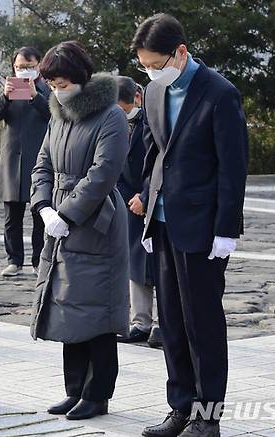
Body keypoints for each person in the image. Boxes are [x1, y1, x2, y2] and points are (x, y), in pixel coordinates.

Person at [132, 14, 248, 437]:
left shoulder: (220, 94)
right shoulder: (156, 92)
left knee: (204, 326)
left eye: (156, 63)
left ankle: (208, 417)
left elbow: (233, 169)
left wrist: (226, 229)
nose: (150, 72)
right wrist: (146, 195)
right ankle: (180, 407)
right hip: (161, 223)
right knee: (173, 325)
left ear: (180, 52)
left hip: (202, 229)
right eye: (144, 65)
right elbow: (152, 151)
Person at [29, 41, 130, 421]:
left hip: (95, 221)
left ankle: (97, 392)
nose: (57, 89)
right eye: (51, 83)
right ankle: (74, 389)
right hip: (58, 218)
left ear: (81, 78)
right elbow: (42, 164)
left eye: (61, 82)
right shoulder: (58, 114)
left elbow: (103, 174)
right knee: (67, 306)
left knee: (97, 309)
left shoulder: (110, 116)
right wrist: (42, 206)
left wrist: (67, 214)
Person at [0, 47, 50, 277]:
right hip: (12, 158)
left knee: (39, 215)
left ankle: (38, 261)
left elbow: (54, 114)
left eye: (29, 66)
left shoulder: (47, 90)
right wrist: (5, 96)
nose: (24, 70)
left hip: (39, 159)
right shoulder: (9, 90)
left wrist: (35, 96)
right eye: (20, 67)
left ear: (38, 66)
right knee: (11, 216)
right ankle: (14, 260)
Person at [114, 77, 163, 349]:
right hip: (127, 202)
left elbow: (159, 160)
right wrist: (124, 197)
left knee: (159, 265)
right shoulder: (112, 123)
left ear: (137, 98)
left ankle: (163, 323)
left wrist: (145, 196)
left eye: (122, 108)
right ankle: (140, 322)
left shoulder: (153, 118)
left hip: (153, 198)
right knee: (135, 263)